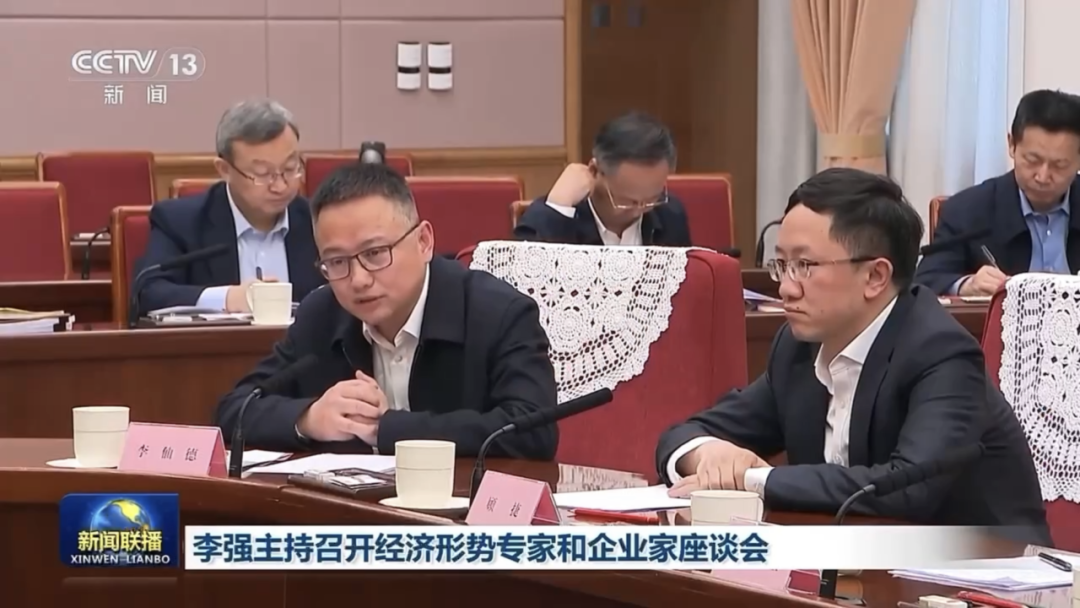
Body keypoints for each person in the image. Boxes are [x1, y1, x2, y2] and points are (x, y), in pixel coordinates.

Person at [656, 168, 1050, 542]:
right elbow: (683, 435)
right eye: (782, 265)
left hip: (983, 567)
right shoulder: (798, 347)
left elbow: (906, 487)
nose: (786, 289)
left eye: (805, 266)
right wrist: (709, 454)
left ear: (875, 276)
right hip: (857, 561)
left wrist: (754, 479)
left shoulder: (940, 353)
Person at [214, 162, 558, 458]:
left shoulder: (498, 313)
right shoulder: (321, 314)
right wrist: (308, 418)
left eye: (375, 253)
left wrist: (388, 428)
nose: (359, 280)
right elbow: (233, 410)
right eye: (337, 262)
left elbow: (533, 432)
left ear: (424, 241)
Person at [134, 99, 324, 315]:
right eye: (262, 174)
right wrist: (228, 298)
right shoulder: (180, 222)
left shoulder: (319, 221)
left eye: (290, 168)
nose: (280, 186)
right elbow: (148, 292)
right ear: (224, 170)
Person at [915, 89, 1080, 296]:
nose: (1043, 176)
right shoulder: (967, 210)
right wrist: (967, 285)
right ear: (1012, 144)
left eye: (1059, 165)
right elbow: (926, 280)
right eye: (1032, 160)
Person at [514, 111, 692, 246]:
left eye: (652, 199)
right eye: (626, 201)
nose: (639, 212)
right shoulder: (553, 215)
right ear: (594, 171)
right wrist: (558, 209)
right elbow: (522, 277)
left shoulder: (669, 214)